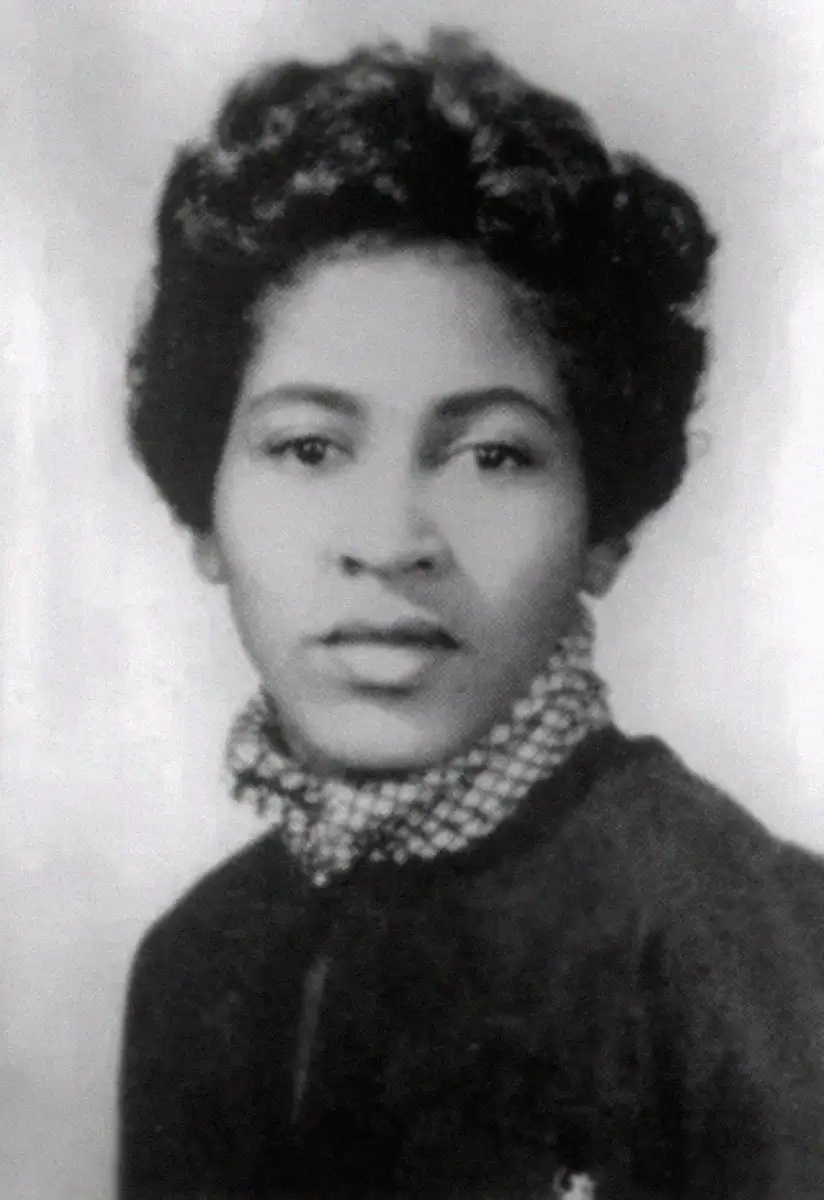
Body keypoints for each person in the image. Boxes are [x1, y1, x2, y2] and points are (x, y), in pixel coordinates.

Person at [117, 29, 824, 1200]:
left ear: (604, 525)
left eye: (492, 455)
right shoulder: (199, 961)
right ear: (202, 510)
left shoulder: (747, 944)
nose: (390, 540)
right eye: (307, 447)